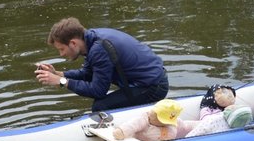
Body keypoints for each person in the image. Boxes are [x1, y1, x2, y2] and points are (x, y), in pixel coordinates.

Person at [35, 17, 169, 111]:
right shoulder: (91, 40)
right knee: (105, 104)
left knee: (100, 106)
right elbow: (88, 74)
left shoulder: (99, 49)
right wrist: (58, 74)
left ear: (73, 43)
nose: (61, 54)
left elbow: (98, 91)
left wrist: (62, 81)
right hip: (149, 80)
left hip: (153, 86)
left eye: (61, 49)